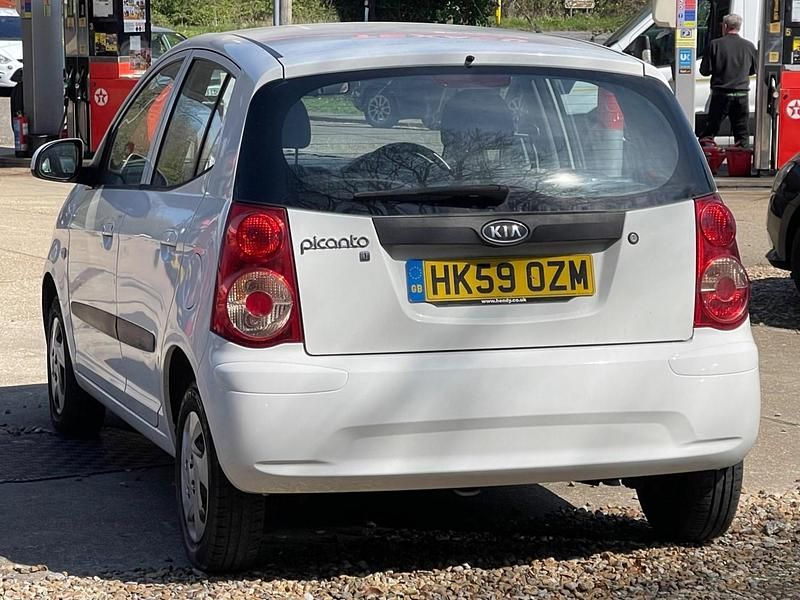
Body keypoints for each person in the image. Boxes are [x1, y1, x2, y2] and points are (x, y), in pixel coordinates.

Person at [699, 13, 757, 147]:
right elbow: (753, 70)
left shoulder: (715, 45)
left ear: (725, 26)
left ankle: (708, 161)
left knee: (709, 132)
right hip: (741, 95)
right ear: (739, 27)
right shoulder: (749, 46)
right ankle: (741, 163)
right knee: (742, 134)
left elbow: (704, 71)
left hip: (720, 95)